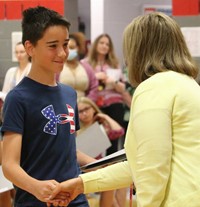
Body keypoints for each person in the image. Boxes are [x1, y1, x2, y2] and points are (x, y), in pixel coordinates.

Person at [48, 12, 200, 207]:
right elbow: (139, 165)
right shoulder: (188, 85)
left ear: (139, 50)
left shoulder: (154, 87)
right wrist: (81, 183)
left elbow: (152, 170)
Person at [1, 6, 95, 207]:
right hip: (35, 202)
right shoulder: (18, 98)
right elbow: (9, 165)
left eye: (66, 44)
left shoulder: (69, 93)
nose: (62, 53)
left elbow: (69, 149)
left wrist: (99, 166)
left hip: (75, 199)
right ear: (30, 48)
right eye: (53, 46)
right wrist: (37, 187)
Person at [81, 33, 126, 156]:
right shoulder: (85, 63)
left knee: (114, 138)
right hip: (95, 104)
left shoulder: (114, 64)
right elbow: (83, 83)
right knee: (95, 138)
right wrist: (96, 77)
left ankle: (112, 164)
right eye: (102, 43)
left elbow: (122, 88)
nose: (104, 46)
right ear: (96, 45)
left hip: (113, 102)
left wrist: (114, 81)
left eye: (107, 44)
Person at [77, 97, 126, 207]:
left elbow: (119, 131)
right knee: (110, 176)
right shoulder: (76, 130)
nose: (84, 113)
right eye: (80, 111)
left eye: (87, 109)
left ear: (93, 108)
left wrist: (105, 116)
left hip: (99, 165)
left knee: (121, 178)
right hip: (83, 168)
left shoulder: (101, 127)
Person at [58, 34, 98, 102]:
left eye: (72, 47)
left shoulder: (86, 67)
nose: (68, 50)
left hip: (85, 106)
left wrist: (87, 103)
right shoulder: (57, 66)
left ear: (78, 48)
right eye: (66, 47)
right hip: (63, 105)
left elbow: (94, 87)